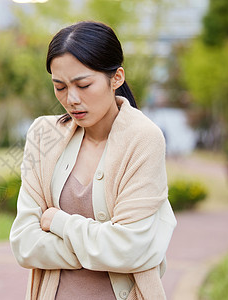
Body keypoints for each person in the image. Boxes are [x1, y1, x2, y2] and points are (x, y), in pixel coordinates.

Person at [10, 21, 177, 300]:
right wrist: (102, 248)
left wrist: (60, 223)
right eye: (60, 87)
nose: (71, 99)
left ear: (116, 78)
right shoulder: (43, 135)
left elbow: (130, 248)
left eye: (84, 84)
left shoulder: (143, 139)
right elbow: (24, 244)